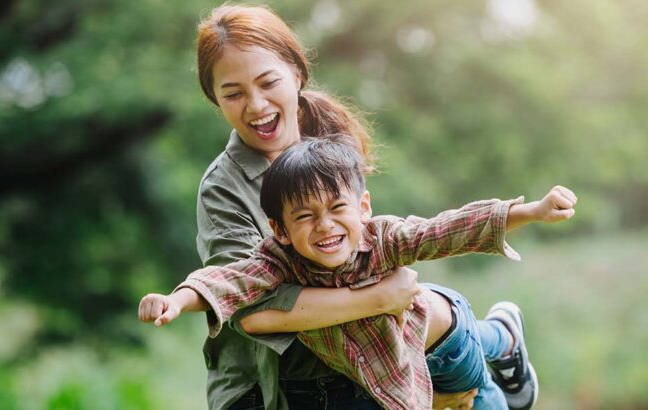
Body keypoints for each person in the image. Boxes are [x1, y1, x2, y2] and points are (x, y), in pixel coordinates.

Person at [177, 4, 538, 409]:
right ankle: (499, 346)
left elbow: (389, 244)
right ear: (216, 100)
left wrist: (515, 215)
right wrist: (381, 299)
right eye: (234, 93)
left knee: (439, 312)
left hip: (363, 345)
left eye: (267, 83)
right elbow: (250, 306)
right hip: (273, 381)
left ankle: (497, 348)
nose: (256, 105)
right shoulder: (222, 189)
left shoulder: (327, 140)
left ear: (296, 74)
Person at [139, 138, 577, 409]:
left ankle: (503, 338)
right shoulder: (277, 262)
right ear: (280, 229)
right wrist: (176, 300)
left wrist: (531, 211)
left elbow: (447, 229)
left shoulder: (383, 237)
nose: (325, 226)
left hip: (443, 348)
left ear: (363, 207)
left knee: (479, 395)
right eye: (305, 216)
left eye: (337, 209)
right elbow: (228, 281)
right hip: (391, 373)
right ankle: (502, 336)